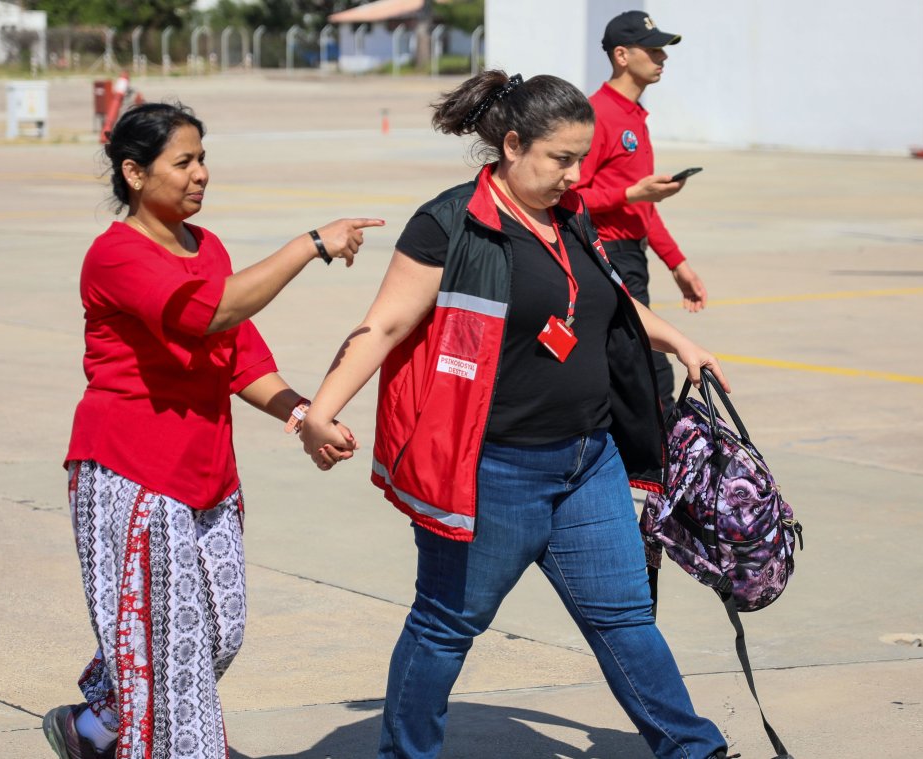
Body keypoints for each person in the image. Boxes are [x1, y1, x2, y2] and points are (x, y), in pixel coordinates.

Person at [299, 71, 732, 759]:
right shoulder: (449, 224)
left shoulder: (570, 217)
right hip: (493, 471)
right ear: (511, 144)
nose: (575, 173)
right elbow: (380, 329)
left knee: (624, 618)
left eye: (581, 158)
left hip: (589, 461)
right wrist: (320, 411)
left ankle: (692, 747)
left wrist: (680, 340)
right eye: (561, 158)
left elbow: (611, 303)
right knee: (445, 624)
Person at [43, 102, 379, 759]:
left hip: (205, 472)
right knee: (172, 652)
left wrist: (301, 412)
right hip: (134, 472)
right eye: (184, 161)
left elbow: (238, 350)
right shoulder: (115, 256)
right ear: (135, 173)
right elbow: (208, 311)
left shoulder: (209, 246)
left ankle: (92, 728)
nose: (201, 174)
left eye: (203, 159)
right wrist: (307, 246)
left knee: (217, 632)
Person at [573, 10, 707, 418]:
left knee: (637, 366)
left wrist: (677, 263)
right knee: (646, 372)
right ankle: (662, 462)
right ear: (621, 55)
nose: (662, 58)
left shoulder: (635, 117)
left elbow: (642, 206)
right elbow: (572, 196)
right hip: (608, 254)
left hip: (632, 254)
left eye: (662, 51)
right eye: (652, 50)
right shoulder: (597, 115)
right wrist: (632, 192)